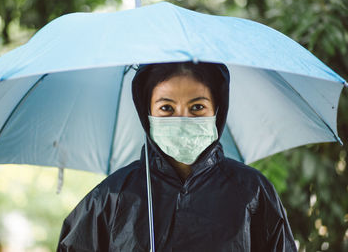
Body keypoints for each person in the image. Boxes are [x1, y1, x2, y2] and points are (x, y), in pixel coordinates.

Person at [57, 62, 297, 251]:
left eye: (197, 107)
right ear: (146, 113)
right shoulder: (110, 197)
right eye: (166, 108)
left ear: (217, 110)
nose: (182, 120)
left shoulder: (252, 192)